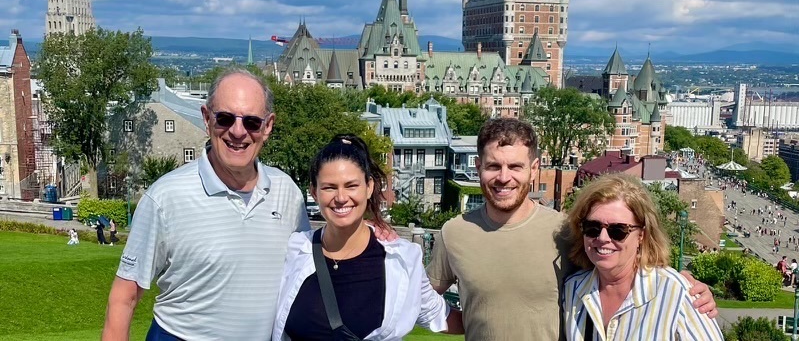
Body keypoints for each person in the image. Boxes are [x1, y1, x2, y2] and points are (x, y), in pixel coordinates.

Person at [426, 118, 717, 340]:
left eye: (515, 167)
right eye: (493, 166)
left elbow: (621, 264)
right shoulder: (455, 233)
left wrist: (686, 286)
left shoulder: (565, 231)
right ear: (478, 167)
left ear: (534, 168)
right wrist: (474, 322)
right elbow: (424, 300)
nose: (504, 177)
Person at [102, 69, 309, 341]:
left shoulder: (287, 193)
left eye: (251, 122)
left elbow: (312, 263)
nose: (238, 132)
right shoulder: (166, 196)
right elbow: (124, 296)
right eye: (224, 118)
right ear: (206, 119)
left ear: (267, 126)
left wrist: (373, 232)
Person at [272, 135, 460, 340]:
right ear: (314, 192)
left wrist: (495, 318)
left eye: (351, 185)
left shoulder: (402, 259)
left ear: (369, 187)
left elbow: (436, 313)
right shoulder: (293, 251)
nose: (341, 198)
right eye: (329, 187)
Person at [563, 174, 723, 340]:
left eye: (618, 230)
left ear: (642, 235)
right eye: (592, 228)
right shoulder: (573, 290)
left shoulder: (675, 294)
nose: (603, 238)